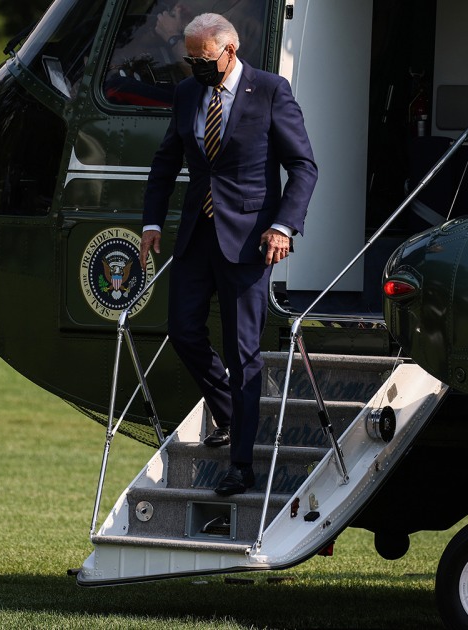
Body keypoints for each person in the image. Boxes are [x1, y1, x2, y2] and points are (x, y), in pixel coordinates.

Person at [138, 13, 317, 496]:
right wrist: (152, 221)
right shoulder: (187, 93)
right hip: (198, 233)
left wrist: (284, 226)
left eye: (201, 58)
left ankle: (241, 465)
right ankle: (232, 413)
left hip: (251, 240)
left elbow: (303, 166)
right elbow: (166, 159)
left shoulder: (271, 90)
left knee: (244, 353)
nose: (193, 65)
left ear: (229, 51)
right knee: (183, 331)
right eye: (189, 58)